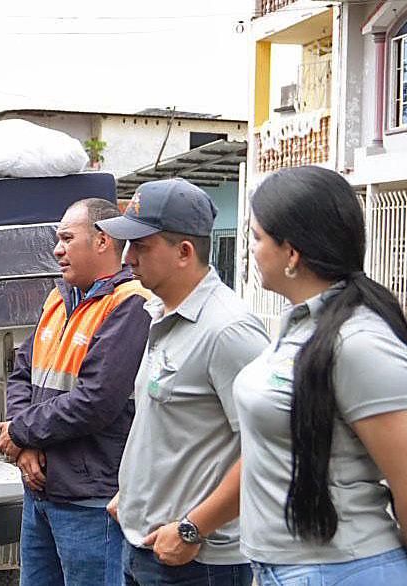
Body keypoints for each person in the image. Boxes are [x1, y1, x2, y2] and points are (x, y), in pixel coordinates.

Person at [235, 166, 407, 586]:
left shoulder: (359, 343)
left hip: (341, 570)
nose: (251, 252)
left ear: (291, 253)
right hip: (290, 568)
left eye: (257, 238)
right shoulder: (303, 326)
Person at [97, 179, 268, 585]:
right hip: (147, 543)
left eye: (142, 246)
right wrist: (134, 495)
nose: (128, 257)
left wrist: (193, 527)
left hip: (197, 559)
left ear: (184, 252)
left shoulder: (227, 329)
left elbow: (271, 449)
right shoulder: (162, 314)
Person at [0, 198, 152, 586]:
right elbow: (22, 373)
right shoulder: (58, 298)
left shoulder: (130, 304)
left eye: (67, 238)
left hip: (90, 500)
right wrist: (24, 444)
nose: (57, 250)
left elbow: (95, 401)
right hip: (41, 491)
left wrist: (21, 433)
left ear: (102, 241)